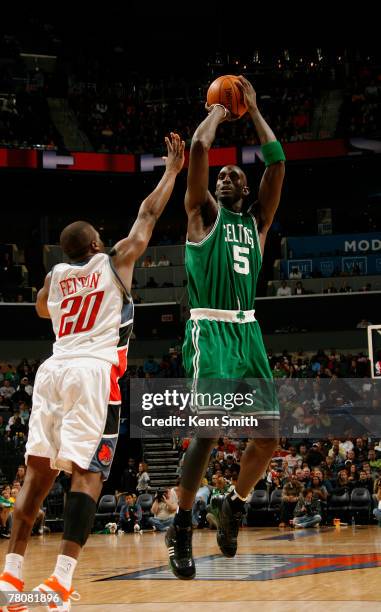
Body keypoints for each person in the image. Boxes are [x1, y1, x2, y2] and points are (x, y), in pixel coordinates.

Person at [0, 133, 185, 608]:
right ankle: (60, 581)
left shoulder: (54, 278)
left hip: (52, 370)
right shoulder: (114, 261)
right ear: (97, 243)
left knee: (35, 474)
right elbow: (147, 216)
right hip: (92, 372)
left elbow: (43, 310)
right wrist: (171, 171)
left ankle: (10, 576)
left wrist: (65, 296)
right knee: (88, 474)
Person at [165, 76, 285, 579]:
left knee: (269, 437)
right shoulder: (200, 214)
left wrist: (253, 111)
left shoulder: (257, 223)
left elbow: (276, 164)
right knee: (209, 432)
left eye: (236, 175)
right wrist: (219, 108)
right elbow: (197, 148)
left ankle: (234, 504)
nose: (226, 178)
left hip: (248, 331)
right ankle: (182, 524)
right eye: (223, 176)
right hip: (210, 331)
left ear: (247, 188)